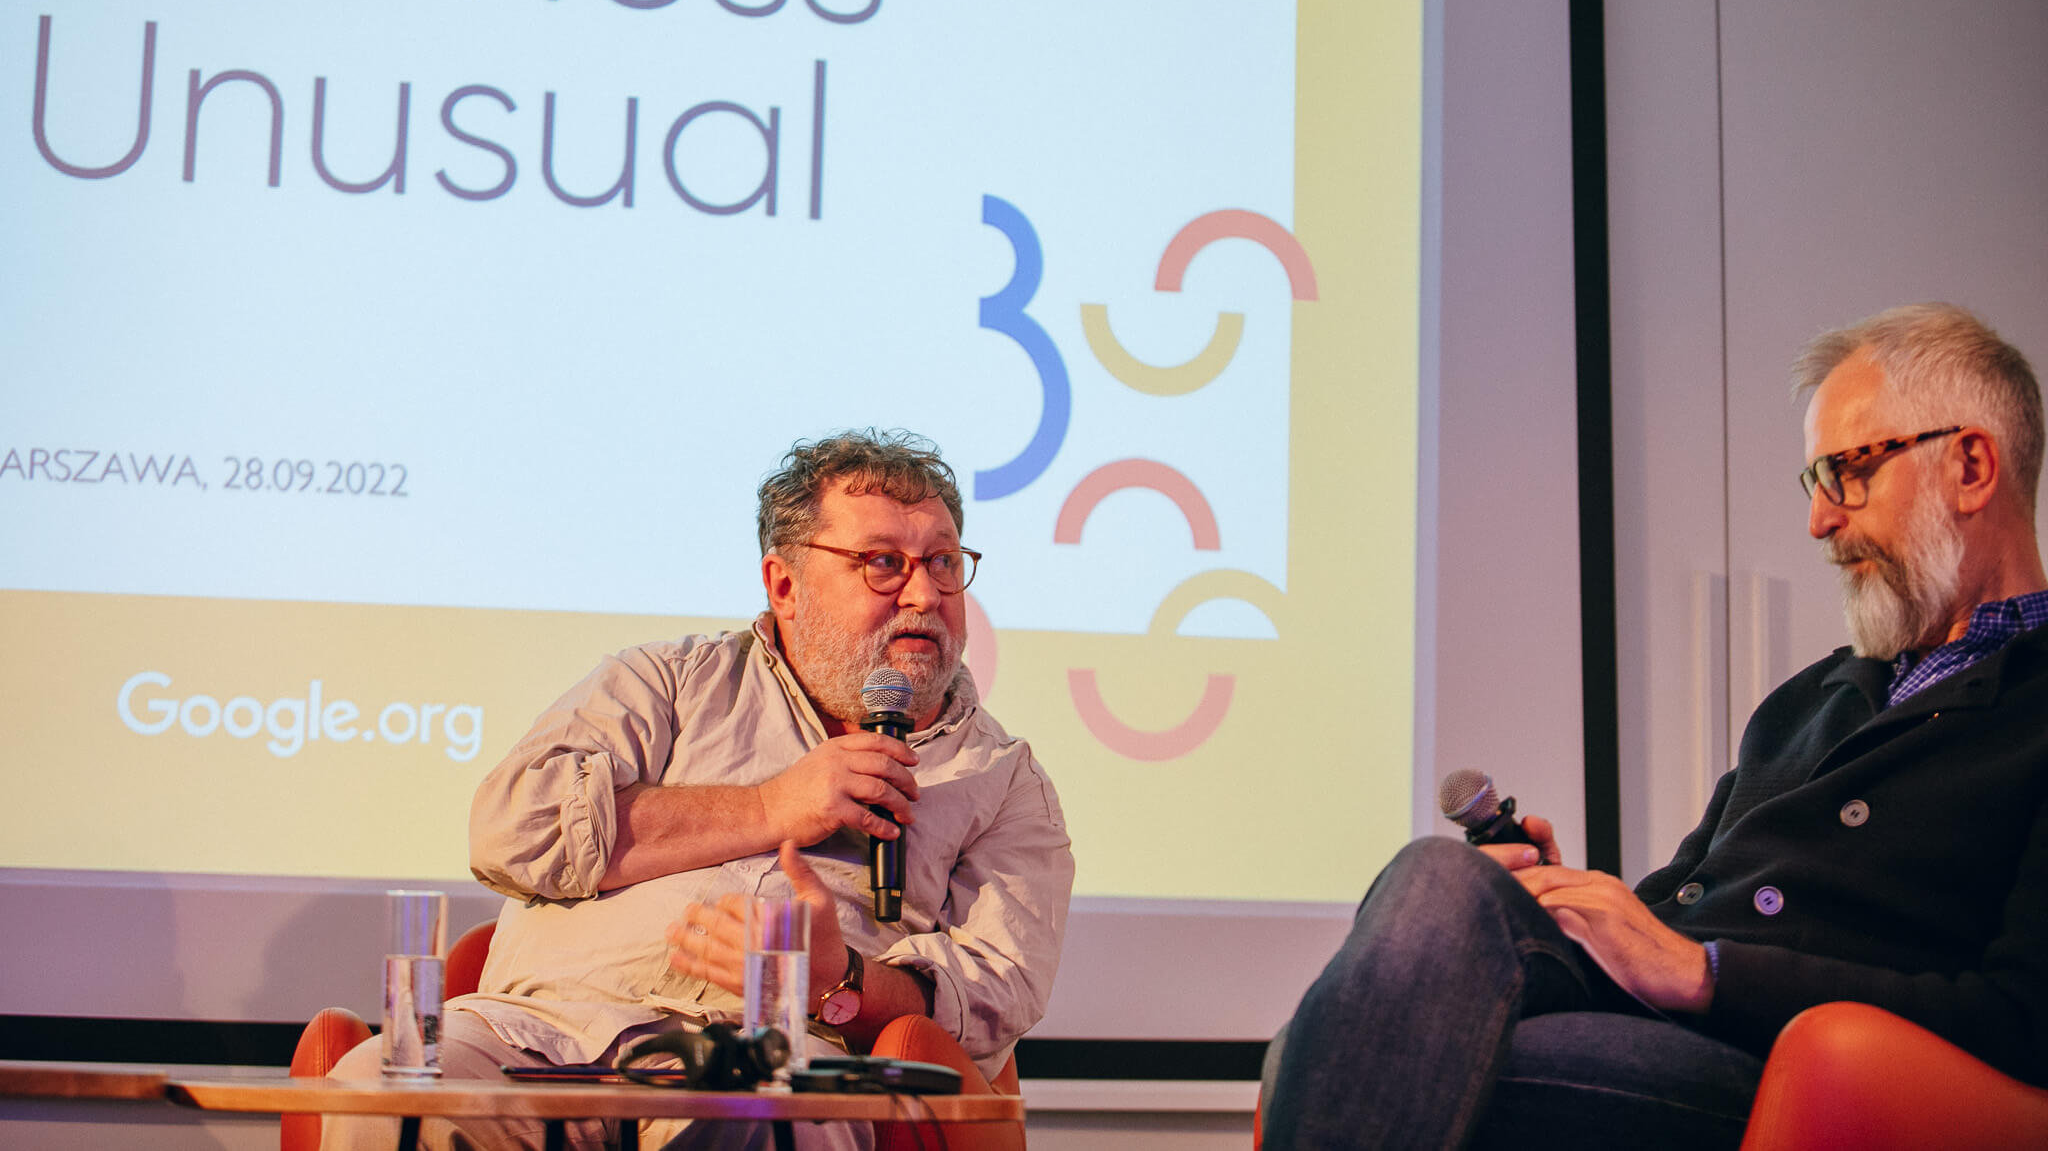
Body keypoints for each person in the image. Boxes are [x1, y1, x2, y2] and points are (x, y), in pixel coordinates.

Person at [1262, 303, 2048, 1150]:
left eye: (1846, 473)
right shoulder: (1809, 700)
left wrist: (1710, 974)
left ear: (1970, 465)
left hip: (1780, 1060)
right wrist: (1577, 908)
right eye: (1814, 483)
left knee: (1383, 1055)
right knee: (1442, 881)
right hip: (1664, 1019)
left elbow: (2022, 1017)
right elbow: (1685, 903)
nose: (1820, 520)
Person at [327, 429, 1075, 1150]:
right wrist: (769, 806)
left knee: (781, 1121)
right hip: (545, 1035)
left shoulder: (1003, 780)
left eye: (943, 561)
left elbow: (998, 991)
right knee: (377, 1093)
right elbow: (510, 830)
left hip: (773, 1060)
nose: (924, 593)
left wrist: (840, 979)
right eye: (883, 562)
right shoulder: (665, 682)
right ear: (785, 584)